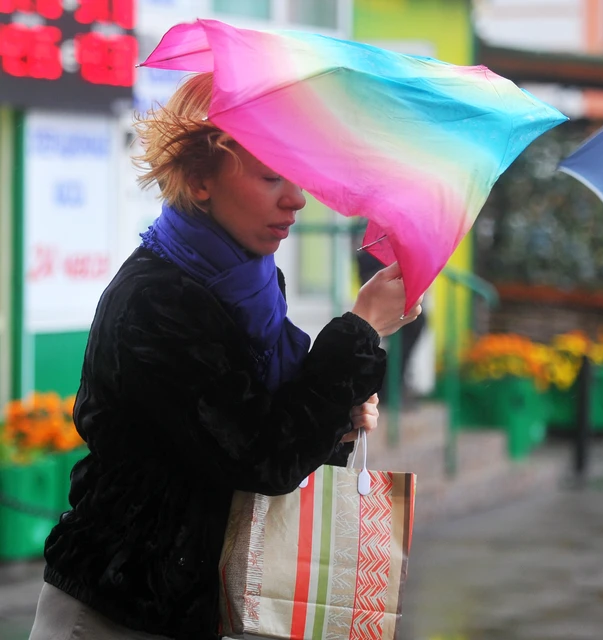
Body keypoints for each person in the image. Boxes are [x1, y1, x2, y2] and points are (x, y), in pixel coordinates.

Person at [28, 72, 422, 640]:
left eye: (299, 177)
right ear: (198, 179)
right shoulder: (158, 298)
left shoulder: (251, 284)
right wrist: (360, 330)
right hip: (116, 611)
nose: (297, 198)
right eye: (270, 177)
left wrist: (338, 415)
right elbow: (262, 455)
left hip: (197, 608)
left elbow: (269, 423)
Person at [356, 228, 428, 405]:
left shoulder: (395, 229)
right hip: (379, 286)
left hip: (389, 284)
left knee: (415, 321)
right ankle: (390, 387)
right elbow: (366, 262)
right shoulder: (373, 227)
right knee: (405, 325)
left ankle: (393, 384)